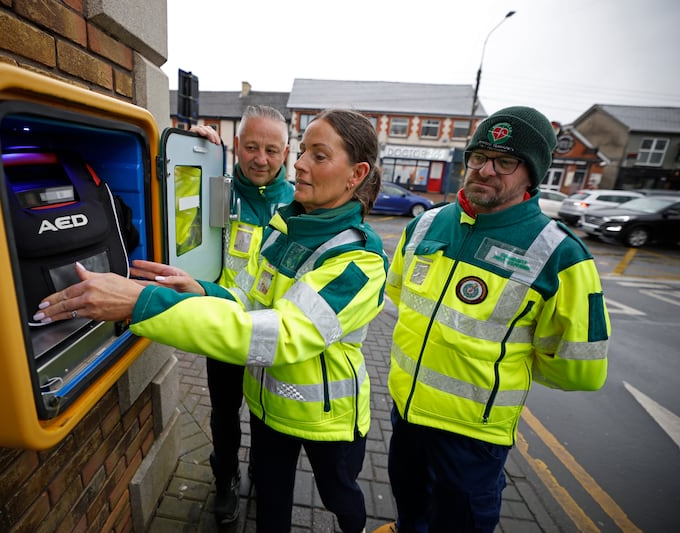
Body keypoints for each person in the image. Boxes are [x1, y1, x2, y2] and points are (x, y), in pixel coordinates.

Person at [33, 109, 388, 533]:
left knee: (338, 495)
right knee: (271, 504)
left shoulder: (359, 260)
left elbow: (280, 334)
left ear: (356, 174)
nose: (299, 164)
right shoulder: (284, 225)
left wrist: (145, 302)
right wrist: (204, 290)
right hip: (270, 404)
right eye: (303, 152)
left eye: (318, 155)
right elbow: (253, 301)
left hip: (326, 417)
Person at [373, 106, 610, 533]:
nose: (485, 170)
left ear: (531, 175)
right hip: (405, 414)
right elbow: (398, 295)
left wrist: (506, 366)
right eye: (479, 157)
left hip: (473, 435)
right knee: (409, 507)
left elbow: (581, 368)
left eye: (504, 162)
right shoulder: (426, 225)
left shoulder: (561, 255)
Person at [190, 105, 295, 525]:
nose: (260, 159)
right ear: (236, 145)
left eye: (271, 150)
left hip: (274, 331)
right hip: (225, 325)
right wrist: (195, 145)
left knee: (265, 414)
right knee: (224, 411)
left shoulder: (300, 199)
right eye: (251, 147)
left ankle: (260, 472)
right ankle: (226, 478)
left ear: (286, 153)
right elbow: (172, 180)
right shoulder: (216, 186)